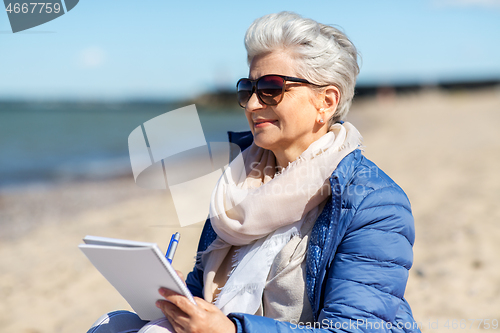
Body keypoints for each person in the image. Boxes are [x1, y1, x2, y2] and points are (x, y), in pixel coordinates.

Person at [88, 11, 421, 333]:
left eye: (271, 89)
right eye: (248, 89)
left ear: (327, 101)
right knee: (115, 324)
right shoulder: (236, 182)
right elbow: (211, 291)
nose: (252, 104)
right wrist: (181, 297)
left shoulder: (374, 203)